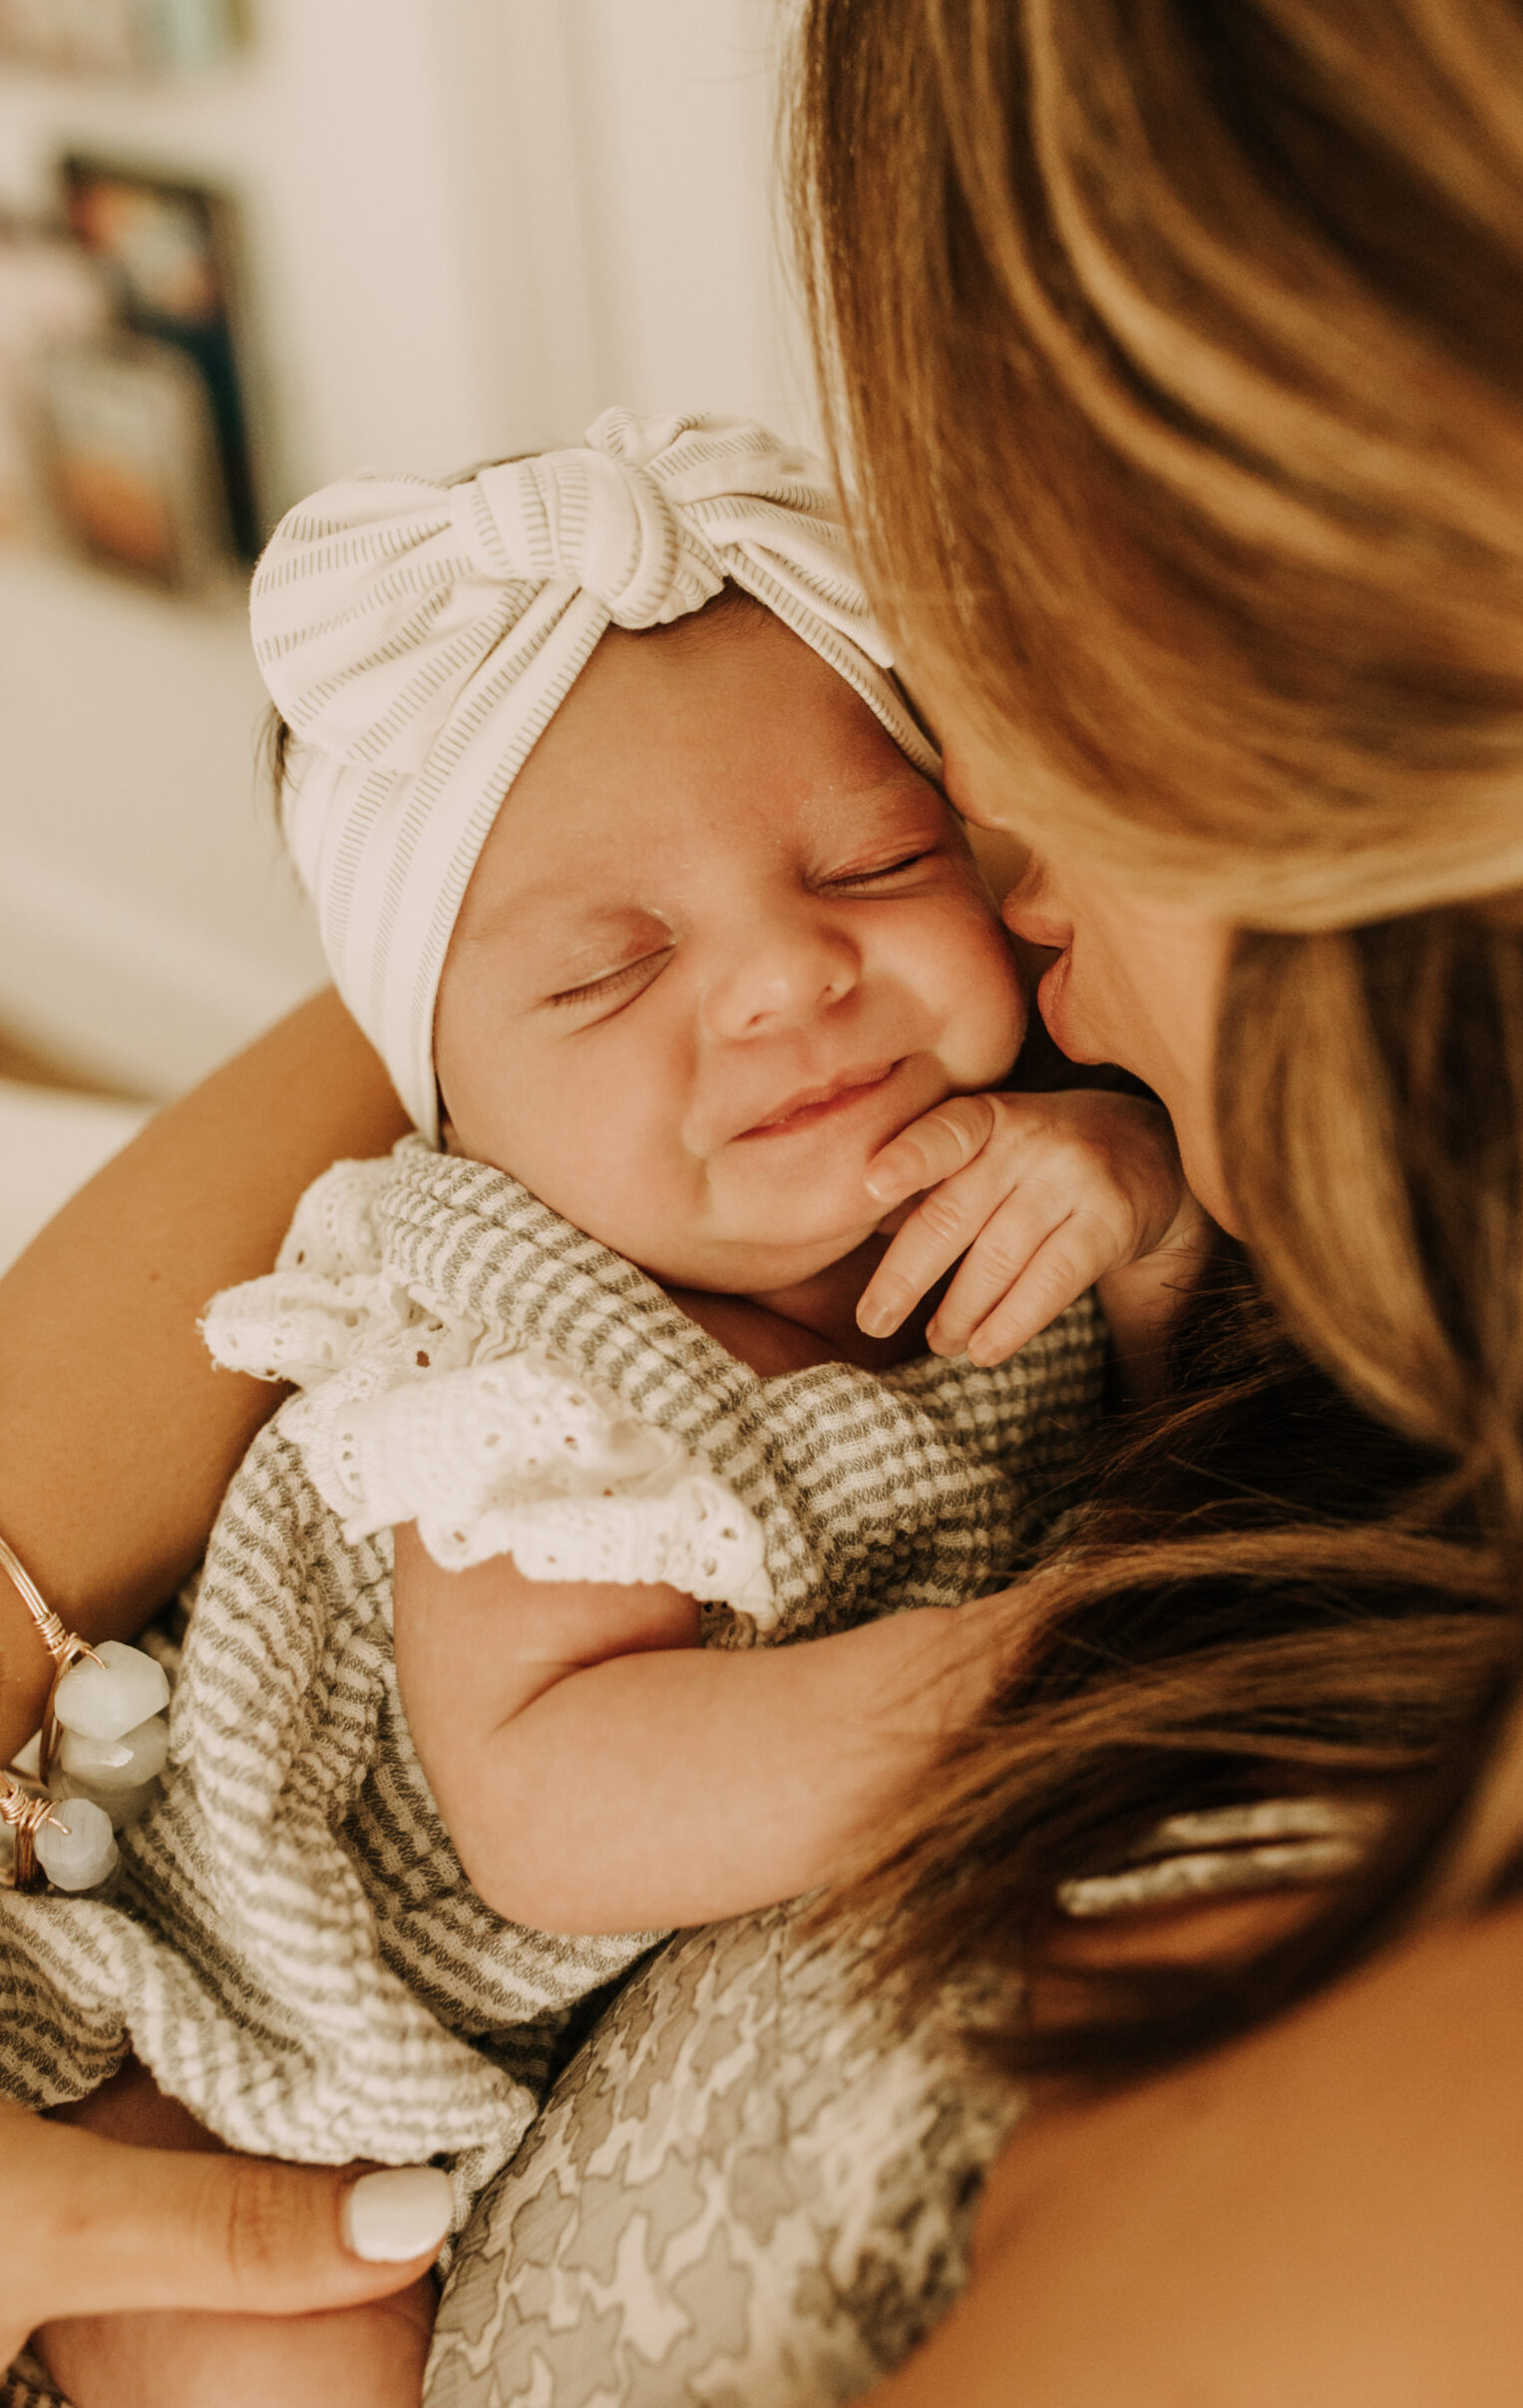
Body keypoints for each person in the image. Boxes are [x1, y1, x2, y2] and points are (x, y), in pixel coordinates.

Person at [5, 0, 1523, 2399]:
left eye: (914, 756)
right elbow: (472, 1032)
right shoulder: (527, 1282)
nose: (803, 968)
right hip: (274, 2039)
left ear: (1327, 697)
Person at [2, 410, 1192, 2408]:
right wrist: (1032, 1672)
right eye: (615, 965)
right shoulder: (514, 1337)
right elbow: (554, 1797)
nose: (782, 979)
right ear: (442, 1103)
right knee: (290, 2340)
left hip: (472, 2043)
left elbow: (1177, 1434)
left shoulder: (1014, 1162)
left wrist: (1142, 1222)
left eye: (869, 860)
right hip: (227, 2033)